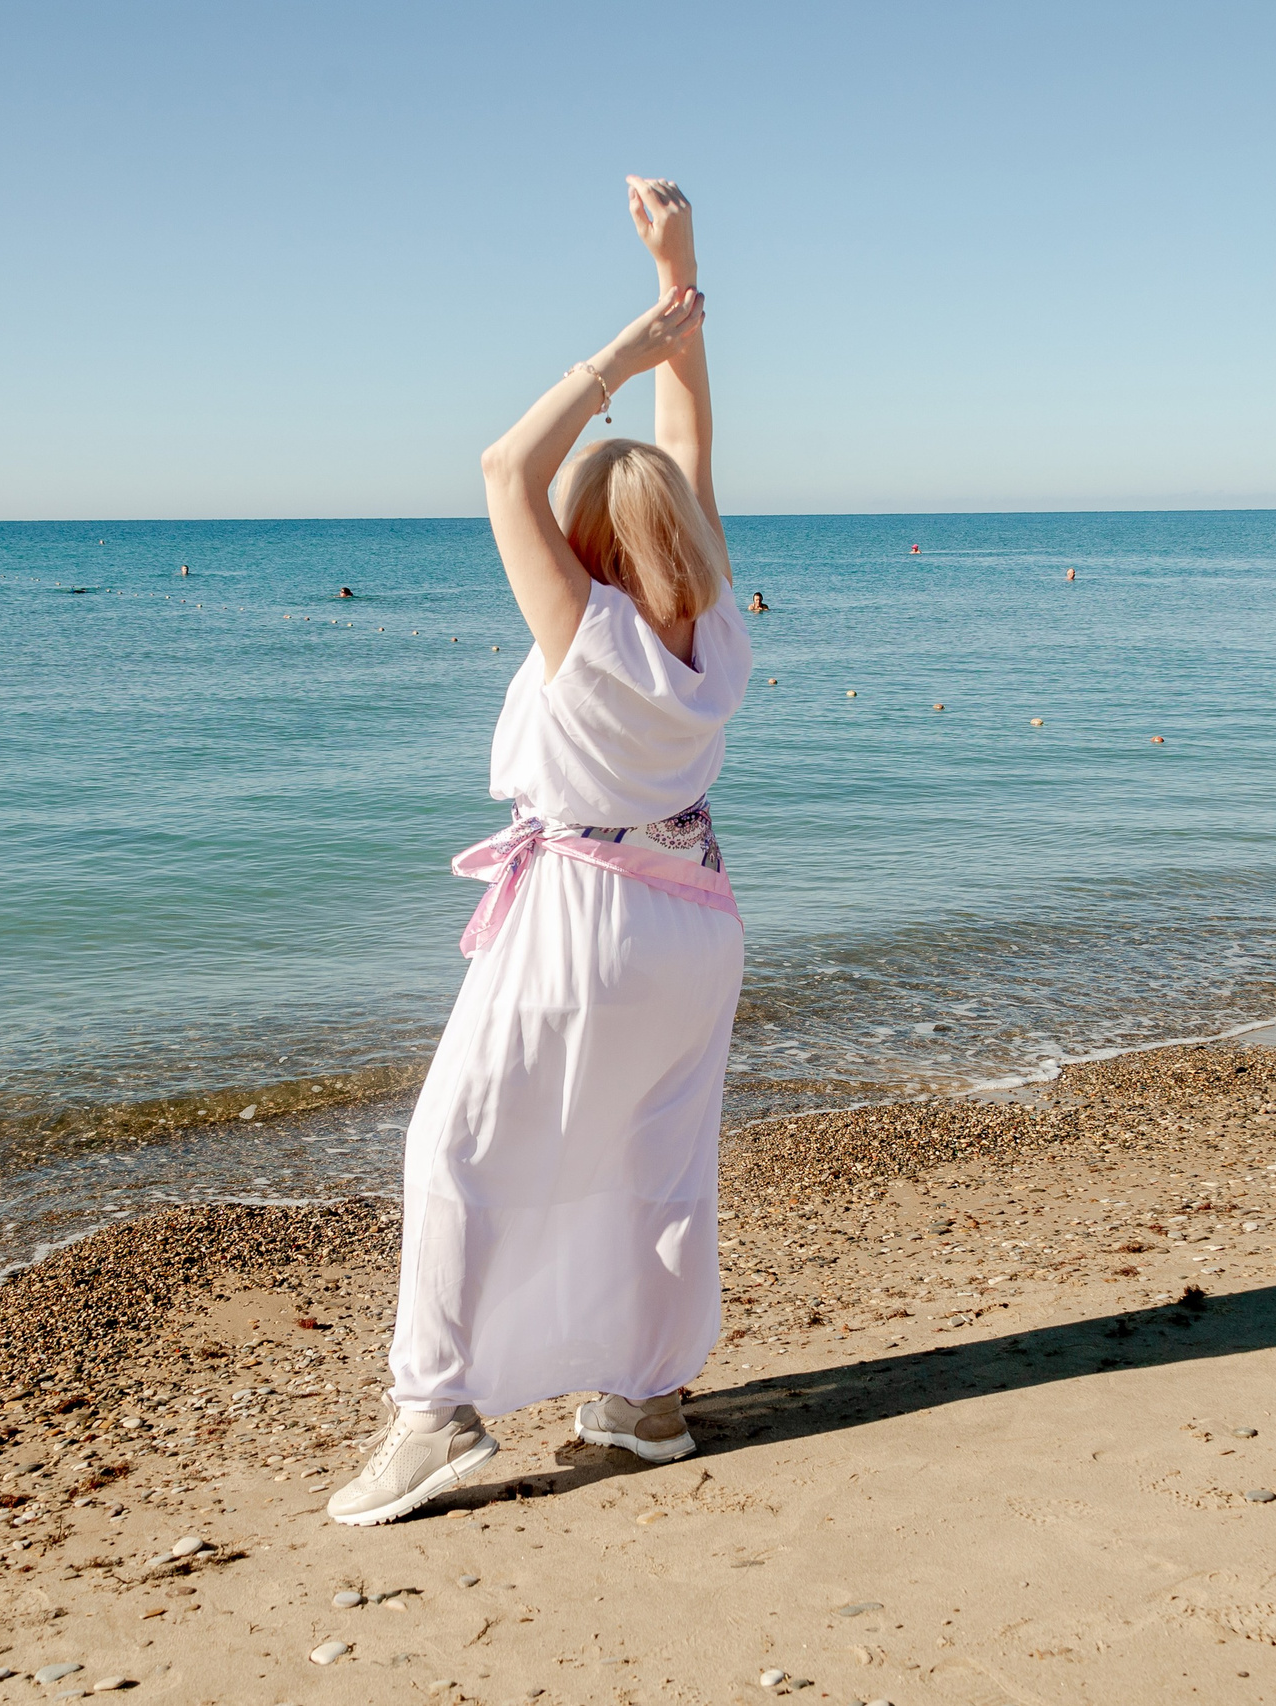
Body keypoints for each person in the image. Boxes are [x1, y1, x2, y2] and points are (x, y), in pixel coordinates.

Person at [330, 177, 749, 1527]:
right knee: (656, 1155)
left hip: (586, 916)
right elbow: (686, 444)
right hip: (695, 915)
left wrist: (613, 357)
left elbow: (501, 469)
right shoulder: (710, 629)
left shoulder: (590, 634)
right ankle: (646, 1397)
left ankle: (436, 1410)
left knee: (454, 1145)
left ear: (585, 543)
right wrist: (679, 265)